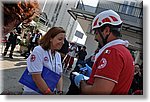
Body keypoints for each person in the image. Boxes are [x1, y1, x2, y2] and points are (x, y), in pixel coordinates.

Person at [74, 10, 135, 95]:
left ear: (106, 31)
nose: (95, 37)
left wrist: (81, 82)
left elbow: (98, 92)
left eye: (96, 32)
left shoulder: (113, 53)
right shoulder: (125, 52)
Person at [22, 27, 65, 95]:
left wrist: (60, 91)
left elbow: (59, 75)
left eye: (63, 40)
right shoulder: (39, 50)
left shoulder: (57, 56)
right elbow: (36, 77)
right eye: (60, 39)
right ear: (51, 38)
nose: (62, 42)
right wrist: (49, 94)